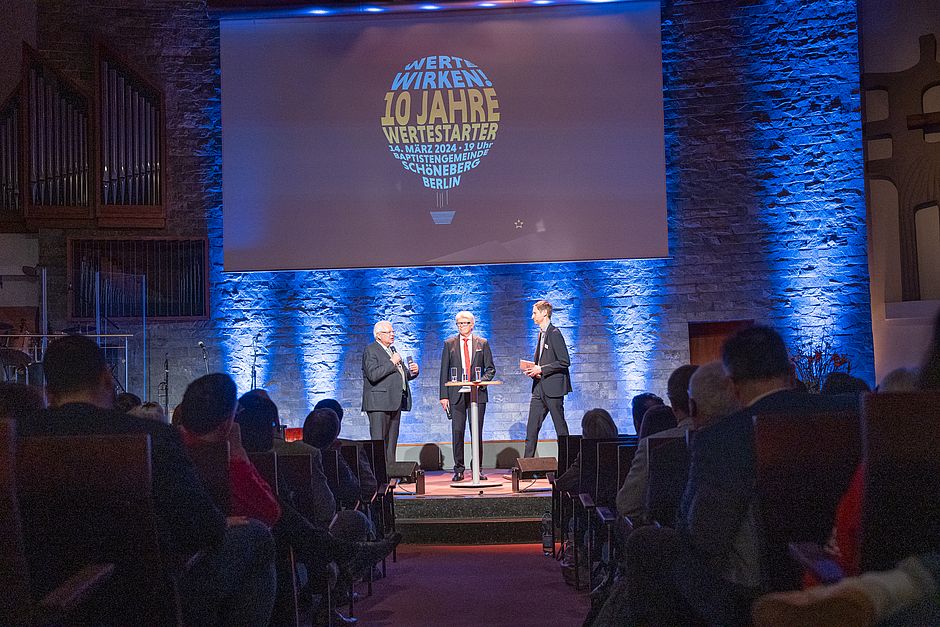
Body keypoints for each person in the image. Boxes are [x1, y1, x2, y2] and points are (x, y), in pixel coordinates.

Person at [18, 336, 276, 626]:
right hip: (143, 599)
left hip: (39, 599)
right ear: (107, 379)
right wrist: (218, 522)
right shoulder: (153, 436)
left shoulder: (13, 440)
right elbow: (200, 527)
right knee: (256, 536)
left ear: (49, 392)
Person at [439, 310, 497, 481]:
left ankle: (477, 469)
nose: (462, 326)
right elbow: (444, 372)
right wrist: (443, 396)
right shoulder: (449, 343)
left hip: (476, 394)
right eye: (459, 323)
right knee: (457, 431)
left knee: (476, 432)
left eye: (465, 323)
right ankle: (459, 469)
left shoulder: (482, 343)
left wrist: (480, 382)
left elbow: (491, 369)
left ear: (472, 324)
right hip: (456, 393)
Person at [361, 320, 419, 464]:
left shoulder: (392, 350)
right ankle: (379, 478)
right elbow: (373, 375)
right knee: (379, 442)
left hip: (395, 402)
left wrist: (413, 373)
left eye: (393, 332)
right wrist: (392, 362)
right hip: (379, 404)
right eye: (388, 332)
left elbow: (401, 374)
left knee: (391, 443)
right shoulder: (371, 350)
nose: (392, 334)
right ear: (378, 335)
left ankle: (390, 474)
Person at [522, 300, 571, 458]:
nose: (532, 316)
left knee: (560, 429)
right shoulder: (541, 334)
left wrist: (541, 369)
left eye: (535, 313)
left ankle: (567, 463)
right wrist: (534, 370)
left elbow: (564, 361)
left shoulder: (554, 333)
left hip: (553, 389)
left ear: (544, 313)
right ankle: (526, 467)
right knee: (531, 428)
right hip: (539, 388)